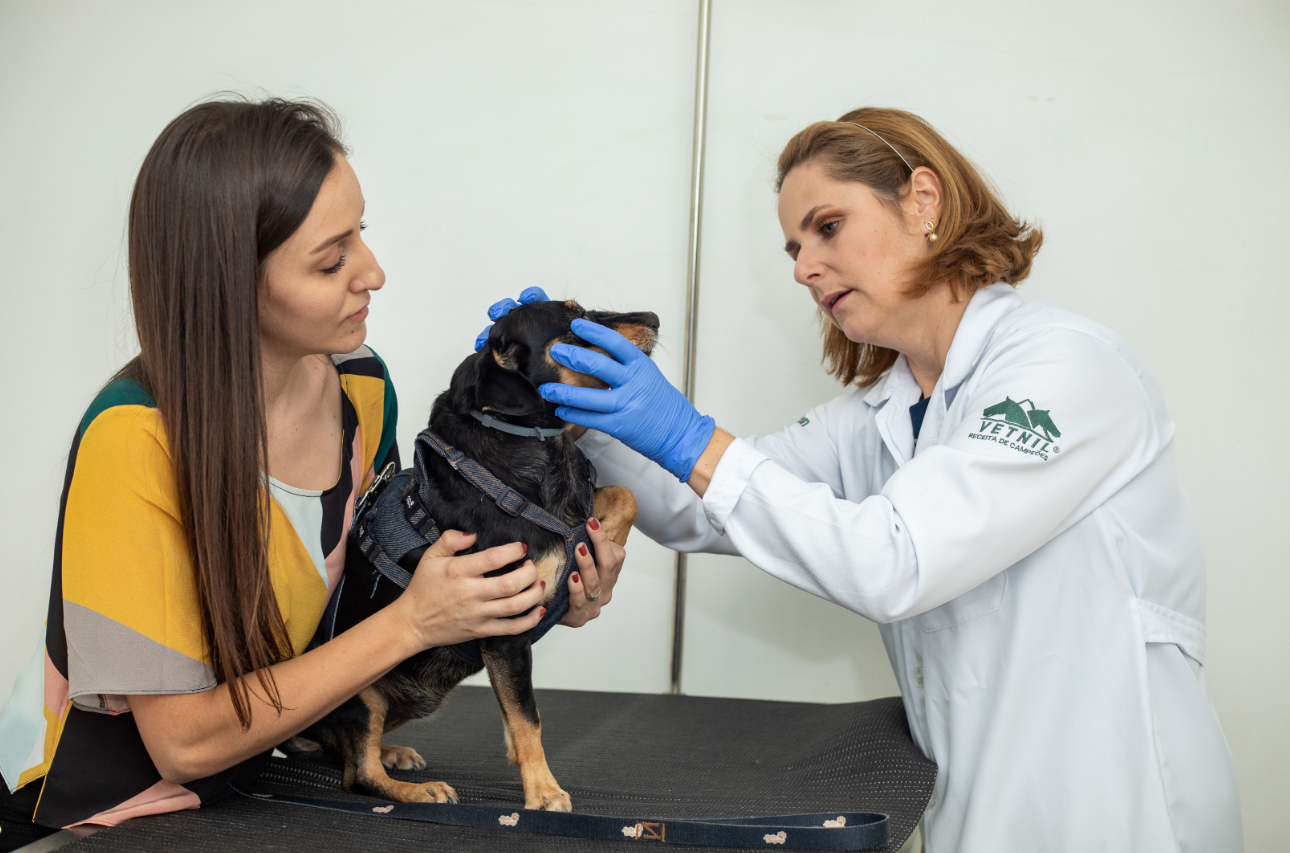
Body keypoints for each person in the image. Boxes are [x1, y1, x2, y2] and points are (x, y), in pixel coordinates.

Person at [491, 108, 1243, 852]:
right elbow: (706, 510)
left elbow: (897, 561)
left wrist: (688, 433)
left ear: (923, 200)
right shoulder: (879, 415)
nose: (801, 267)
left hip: (1121, 813)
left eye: (826, 226)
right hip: (966, 817)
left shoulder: (1065, 368)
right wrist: (575, 414)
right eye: (792, 246)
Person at [0, 98, 624, 848]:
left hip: (264, 780)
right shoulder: (134, 442)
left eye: (362, 234)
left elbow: (383, 583)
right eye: (331, 259)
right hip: (108, 814)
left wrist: (546, 591)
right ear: (231, 279)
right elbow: (182, 744)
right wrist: (416, 619)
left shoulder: (361, 388)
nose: (373, 272)